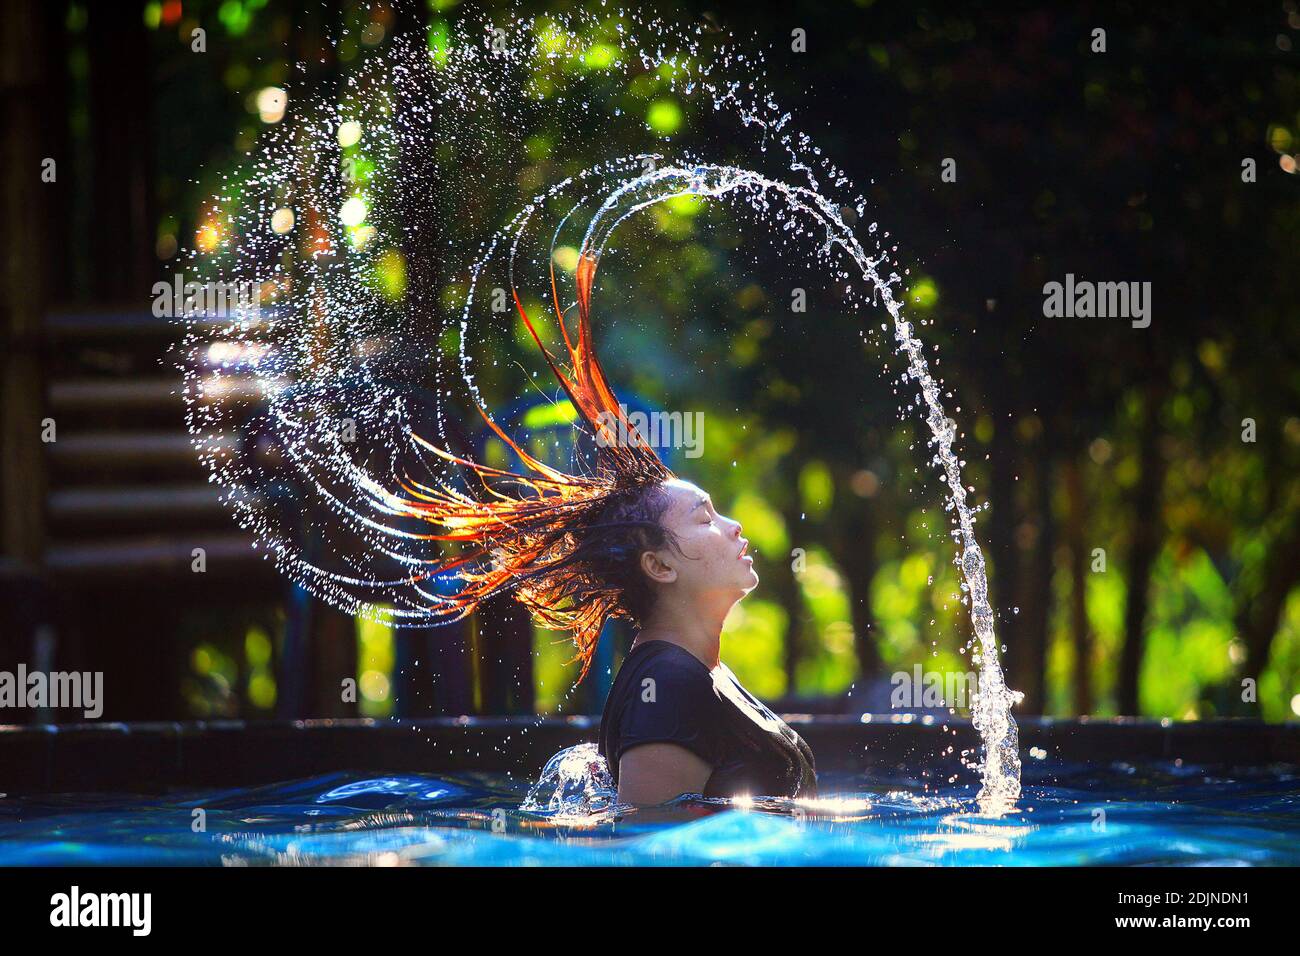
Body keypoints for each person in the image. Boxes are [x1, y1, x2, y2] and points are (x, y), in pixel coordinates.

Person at [387, 249, 816, 805]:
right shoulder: (666, 692)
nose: (734, 526)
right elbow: (650, 851)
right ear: (659, 566)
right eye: (705, 517)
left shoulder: (694, 672)